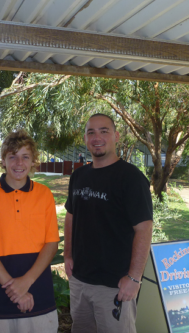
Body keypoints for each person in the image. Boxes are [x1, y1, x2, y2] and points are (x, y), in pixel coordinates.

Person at [64, 113, 153, 333]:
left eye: (104, 131)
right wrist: (67, 255)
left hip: (115, 285)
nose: (97, 137)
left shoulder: (131, 178)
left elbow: (144, 228)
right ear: (85, 138)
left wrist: (134, 277)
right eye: (91, 132)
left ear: (116, 136)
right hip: (80, 281)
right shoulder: (79, 176)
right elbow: (70, 216)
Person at [0, 129, 60, 333]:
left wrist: (26, 282)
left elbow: (52, 243)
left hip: (38, 288)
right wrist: (15, 289)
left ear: (33, 161)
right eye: (12, 156)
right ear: (3, 161)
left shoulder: (44, 194)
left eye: (25, 157)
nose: (19, 163)